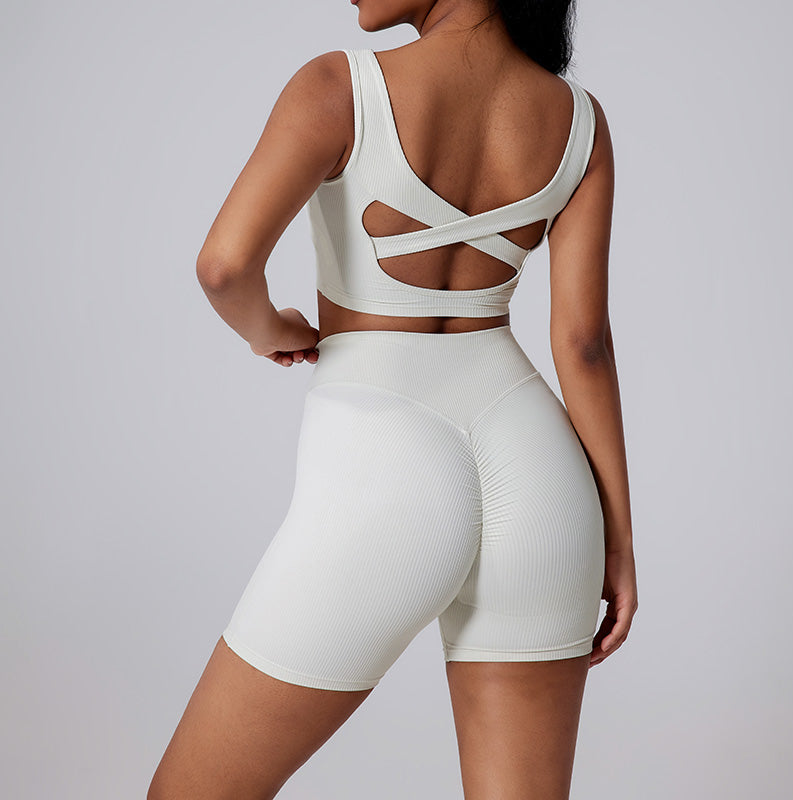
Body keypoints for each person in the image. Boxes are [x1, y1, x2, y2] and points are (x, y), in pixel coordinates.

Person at [148, 0, 638, 797]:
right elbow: (583, 343)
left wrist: (269, 329)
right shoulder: (580, 120)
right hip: (540, 466)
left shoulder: (337, 87)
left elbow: (224, 266)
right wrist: (617, 539)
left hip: (385, 455)